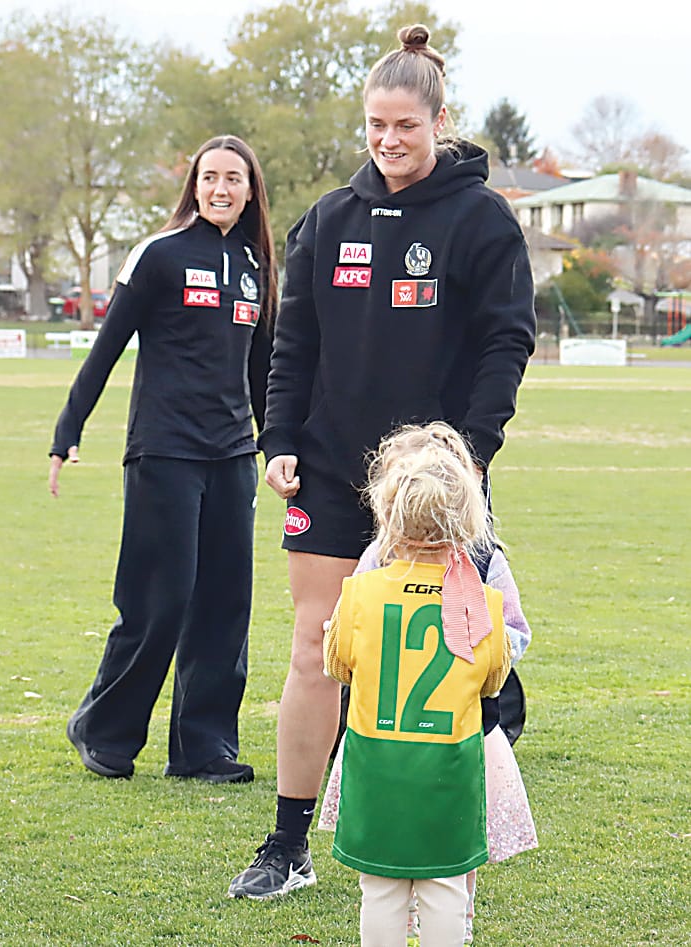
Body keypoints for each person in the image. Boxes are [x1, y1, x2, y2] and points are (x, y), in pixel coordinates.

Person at [227, 23, 535, 898]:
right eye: (375, 126)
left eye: (404, 125)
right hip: (327, 467)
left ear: (439, 119)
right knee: (317, 646)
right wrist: (278, 438)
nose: (388, 141)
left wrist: (468, 457)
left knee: (449, 645)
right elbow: (294, 344)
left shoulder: (480, 219)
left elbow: (505, 341)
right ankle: (288, 844)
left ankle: (452, 826)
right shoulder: (330, 217)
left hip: (435, 486)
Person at [49, 135, 277, 783]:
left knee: (224, 603)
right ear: (194, 185)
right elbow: (106, 347)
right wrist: (69, 430)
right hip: (164, 451)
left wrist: (277, 446)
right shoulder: (159, 253)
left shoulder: (257, 265)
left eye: (234, 178)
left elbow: (263, 372)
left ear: (250, 189)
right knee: (160, 599)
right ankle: (105, 730)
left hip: (230, 457)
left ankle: (203, 748)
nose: (221, 189)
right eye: (210, 177)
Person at [321, 422, 511, 946]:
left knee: (380, 888)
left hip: (375, 761)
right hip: (448, 764)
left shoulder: (360, 593)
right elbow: (494, 679)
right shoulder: (485, 605)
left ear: (387, 514)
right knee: (446, 886)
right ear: (468, 520)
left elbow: (337, 666)